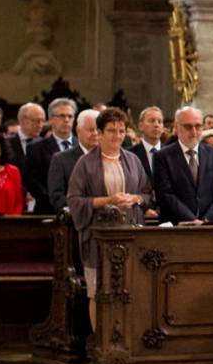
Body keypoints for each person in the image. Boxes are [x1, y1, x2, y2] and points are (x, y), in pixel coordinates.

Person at [65, 108, 151, 319]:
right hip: (98, 237)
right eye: (112, 130)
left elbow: (147, 194)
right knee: (98, 293)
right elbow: (74, 201)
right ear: (100, 133)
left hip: (129, 234)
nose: (118, 136)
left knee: (129, 292)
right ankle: (99, 343)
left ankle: (124, 344)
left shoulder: (133, 160)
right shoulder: (85, 164)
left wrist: (135, 199)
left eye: (122, 131)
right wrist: (109, 201)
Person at [154, 106, 213, 224]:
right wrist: (192, 220)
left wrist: (206, 219)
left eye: (198, 126)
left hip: (209, 226)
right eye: (188, 126)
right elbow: (165, 195)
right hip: (176, 226)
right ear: (176, 128)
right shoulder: (162, 156)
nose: (194, 131)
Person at [27, 98, 80, 214]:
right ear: (51, 119)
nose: (66, 120)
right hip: (47, 210)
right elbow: (33, 182)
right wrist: (59, 203)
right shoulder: (35, 148)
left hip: (79, 210)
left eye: (70, 116)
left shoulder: (82, 146)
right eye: (61, 116)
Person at [48, 109, 100, 214]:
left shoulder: (108, 157)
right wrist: (87, 208)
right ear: (78, 131)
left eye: (98, 130)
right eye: (90, 129)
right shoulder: (61, 159)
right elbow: (57, 198)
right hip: (76, 221)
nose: (95, 134)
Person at [127, 106, 167, 183]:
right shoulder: (130, 154)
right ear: (140, 126)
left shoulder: (171, 154)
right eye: (152, 121)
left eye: (160, 122)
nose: (156, 125)